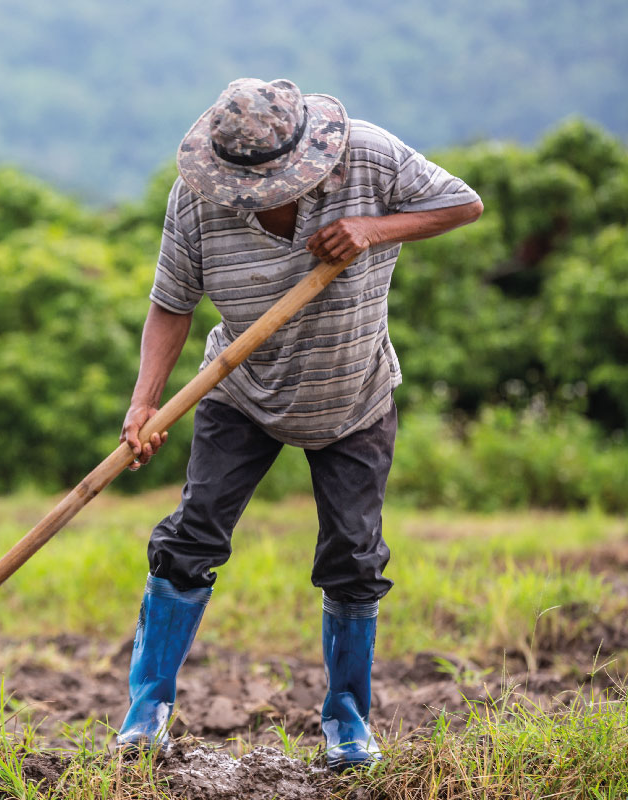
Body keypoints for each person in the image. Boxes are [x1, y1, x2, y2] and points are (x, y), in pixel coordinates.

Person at [115, 78, 483, 770]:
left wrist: (373, 229)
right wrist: (145, 403)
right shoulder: (197, 199)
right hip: (240, 388)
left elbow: (463, 203)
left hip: (354, 394)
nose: (256, 198)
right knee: (191, 538)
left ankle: (347, 724)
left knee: (352, 556)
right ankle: (146, 716)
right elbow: (172, 302)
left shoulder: (369, 157)